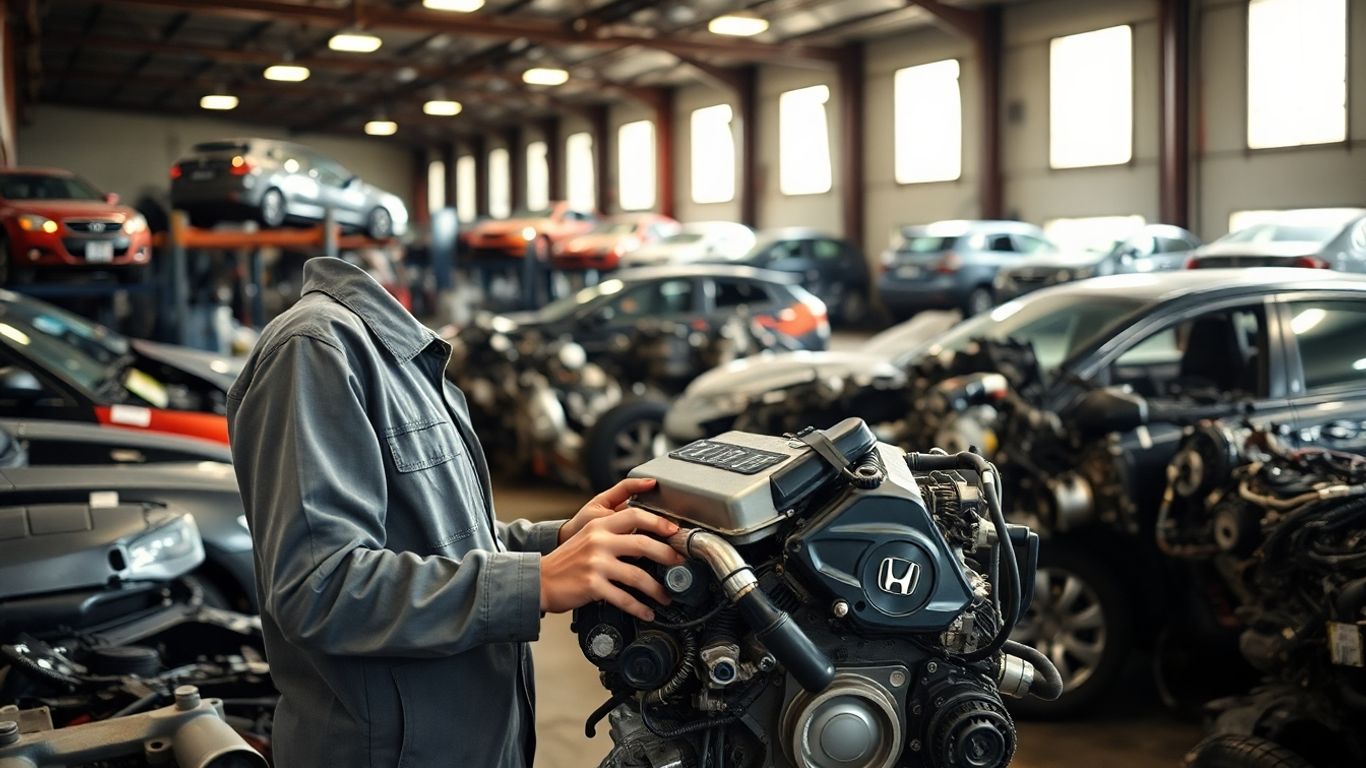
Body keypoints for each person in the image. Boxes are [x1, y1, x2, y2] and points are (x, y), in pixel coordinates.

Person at [227, 256, 683, 767]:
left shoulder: (407, 358)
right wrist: (536, 581)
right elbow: (319, 586)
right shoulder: (317, 349)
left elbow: (447, 539)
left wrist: (559, 543)